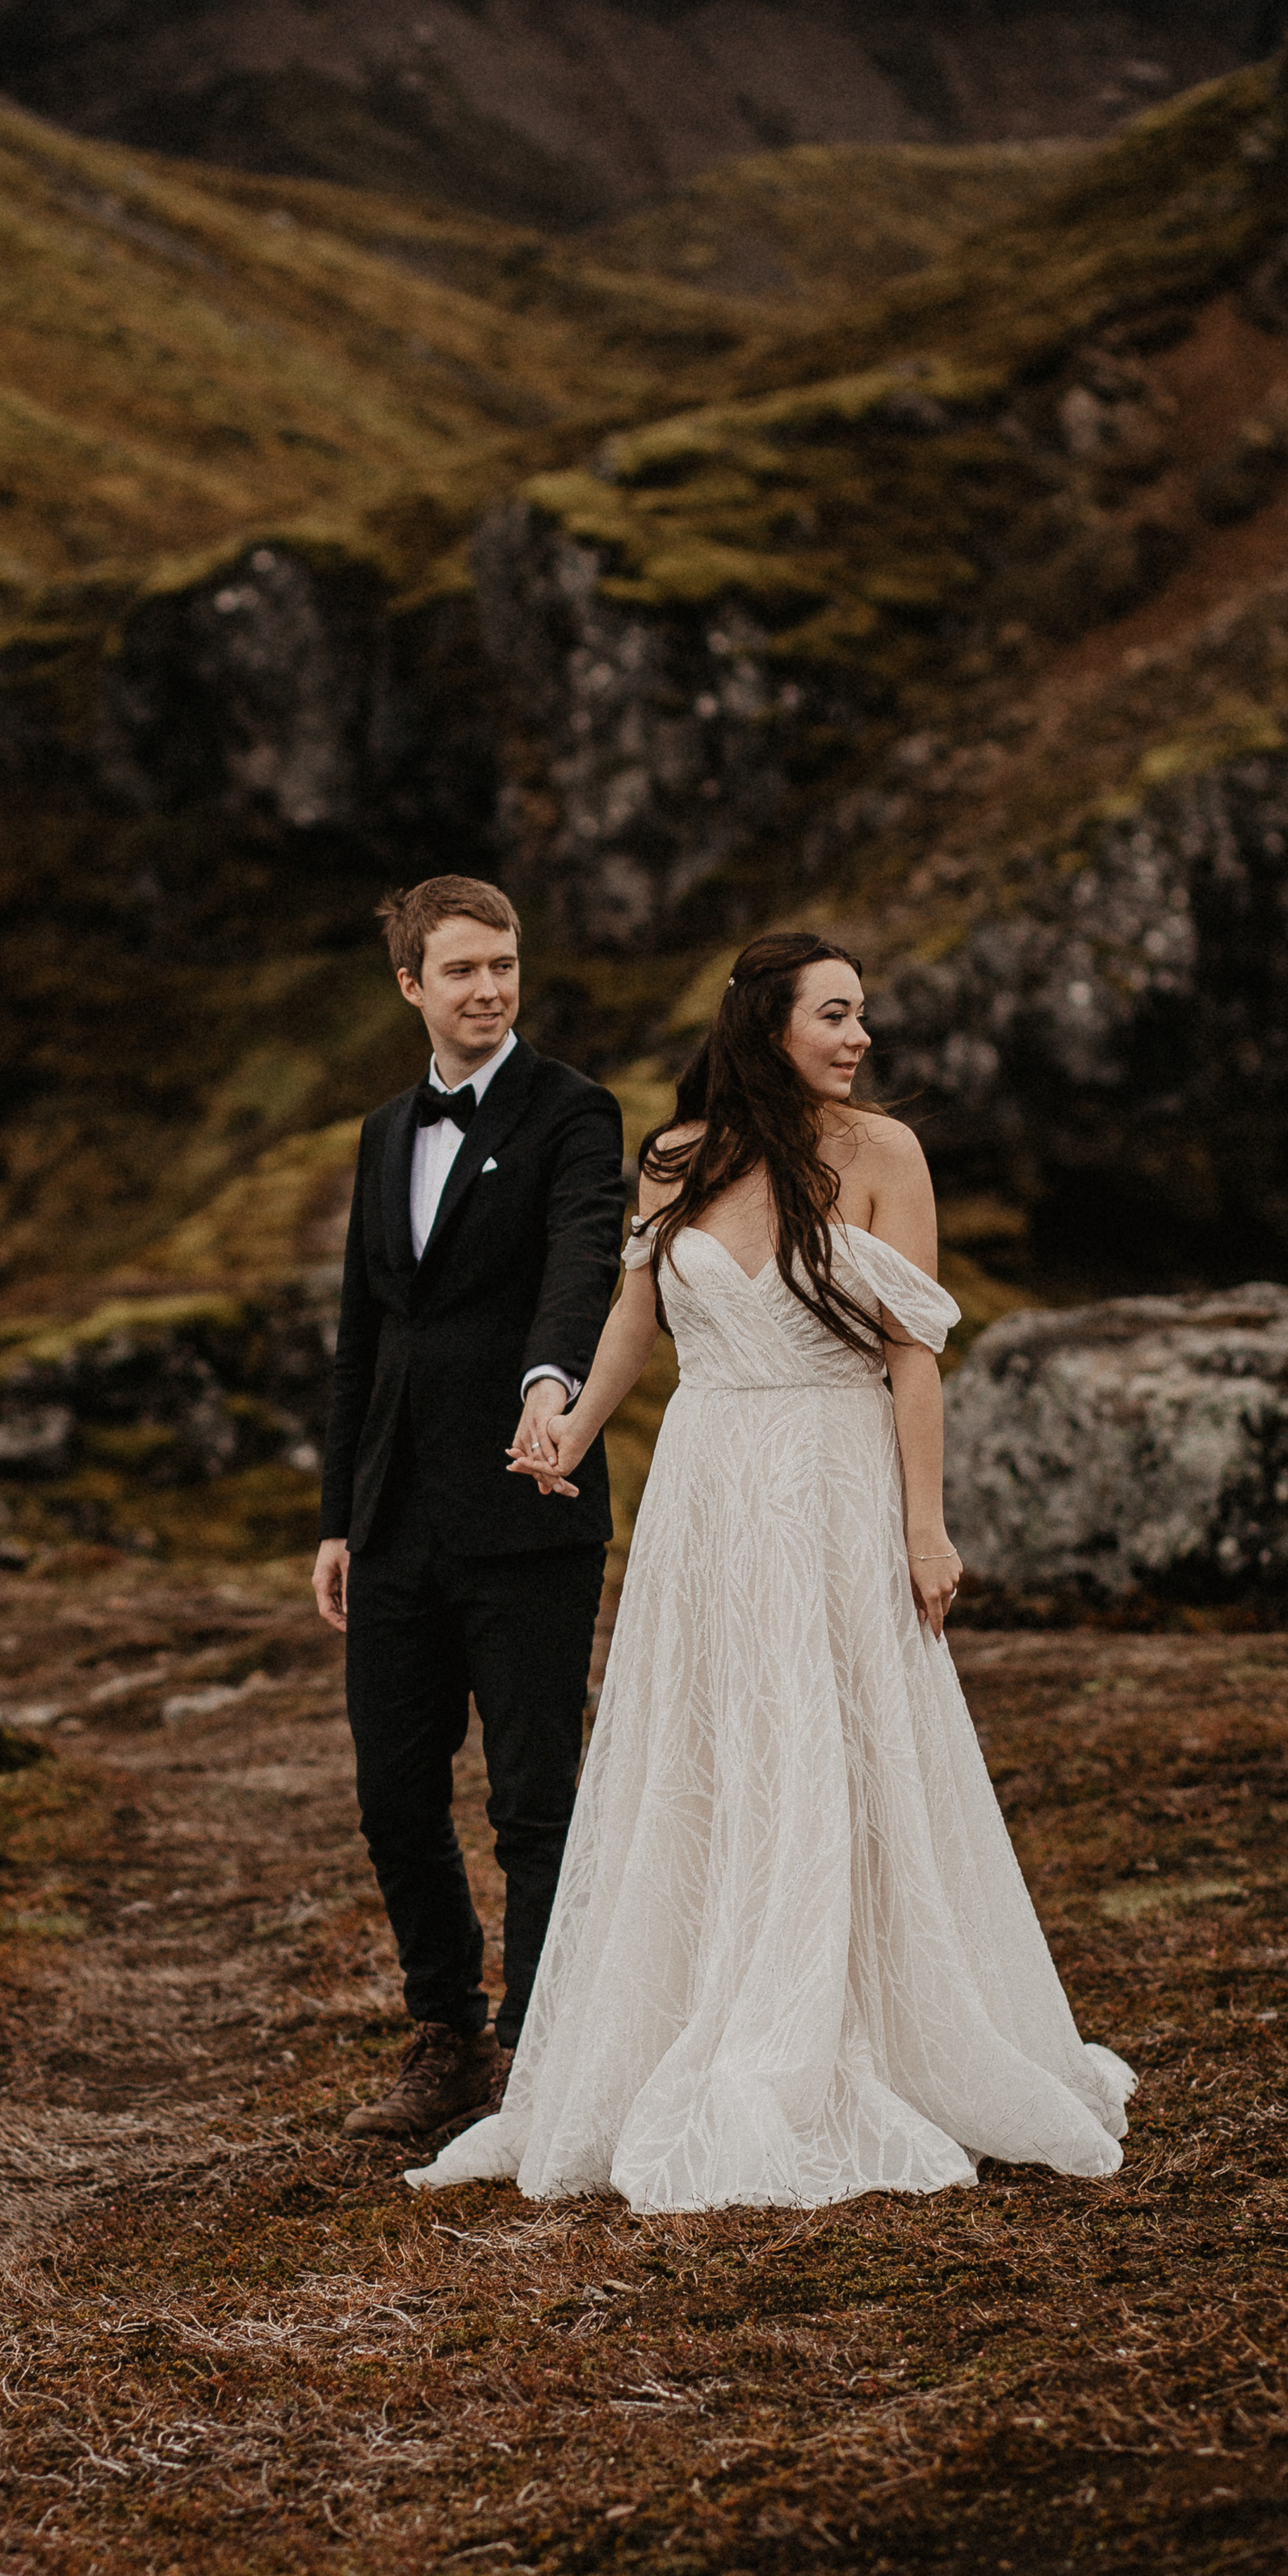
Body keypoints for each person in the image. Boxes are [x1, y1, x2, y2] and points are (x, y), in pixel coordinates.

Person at [406, 928, 1134, 2213]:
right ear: (767, 1026)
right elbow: (637, 1315)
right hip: (706, 1485)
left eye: (862, 1016)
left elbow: (915, 1354)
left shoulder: (884, 1155)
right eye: (836, 1015)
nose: (860, 1039)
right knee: (708, 1740)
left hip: (832, 1474)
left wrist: (927, 1527)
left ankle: (839, 2020)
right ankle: (695, 1999)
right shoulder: (679, 1158)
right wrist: (568, 1431)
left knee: (831, 1733)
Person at [314, 875, 626, 2143]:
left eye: (503, 965)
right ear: (411, 985)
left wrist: (552, 1385)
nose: (490, 989)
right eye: (462, 971)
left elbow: (583, 1261)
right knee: (394, 1793)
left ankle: (541, 2054)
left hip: (524, 1499)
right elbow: (360, 1333)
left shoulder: (575, 1113)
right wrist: (340, 1514)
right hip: (394, 1517)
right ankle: (444, 2036)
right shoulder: (388, 1131)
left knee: (534, 1800)